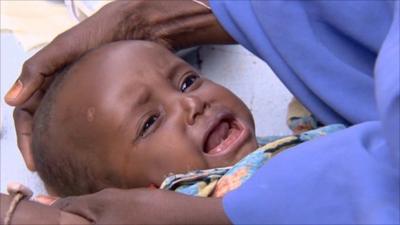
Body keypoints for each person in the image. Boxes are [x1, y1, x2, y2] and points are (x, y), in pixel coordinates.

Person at [2, 0, 399, 224]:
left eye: (187, 81)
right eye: (150, 122)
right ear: (127, 201)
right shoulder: (192, 199)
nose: (191, 104)